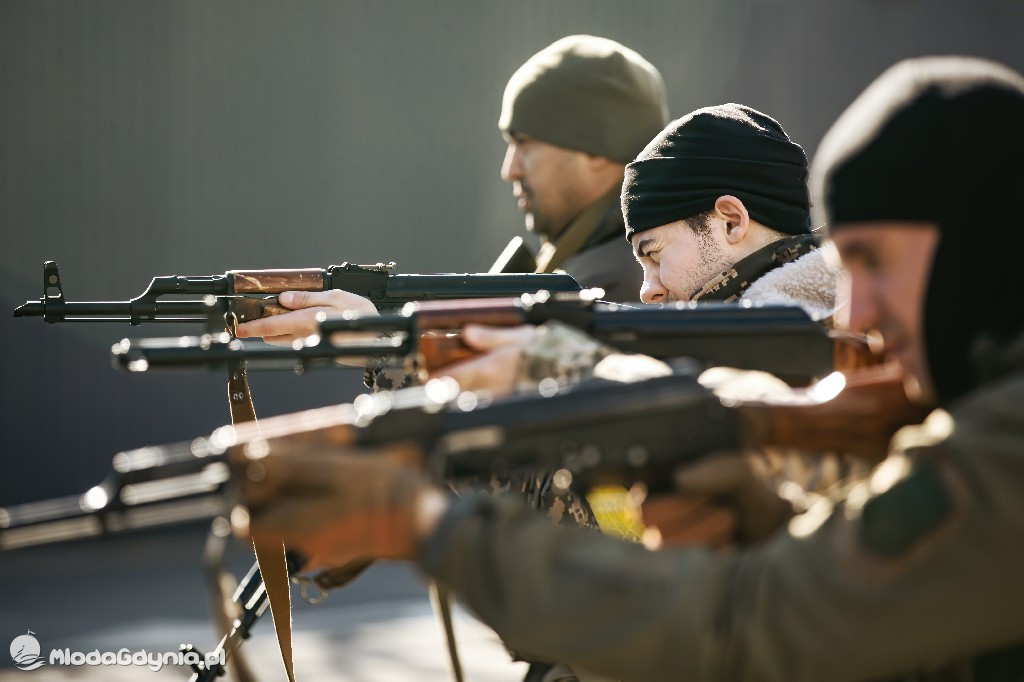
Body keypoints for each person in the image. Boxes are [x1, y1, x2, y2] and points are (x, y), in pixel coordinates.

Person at [233, 56, 1024, 680]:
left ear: (731, 220)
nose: (863, 313)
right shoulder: (958, 395)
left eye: (877, 263)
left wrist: (428, 520)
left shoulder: (973, 425)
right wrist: (769, 517)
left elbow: (752, 620)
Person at [439, 103, 841, 396]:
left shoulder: (819, 339)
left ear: (731, 221)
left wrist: (560, 367)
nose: (648, 290)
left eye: (655, 254)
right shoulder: (812, 321)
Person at [492, 35, 667, 302]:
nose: (510, 170)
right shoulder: (615, 262)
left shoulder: (610, 285)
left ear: (597, 151)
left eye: (524, 144)